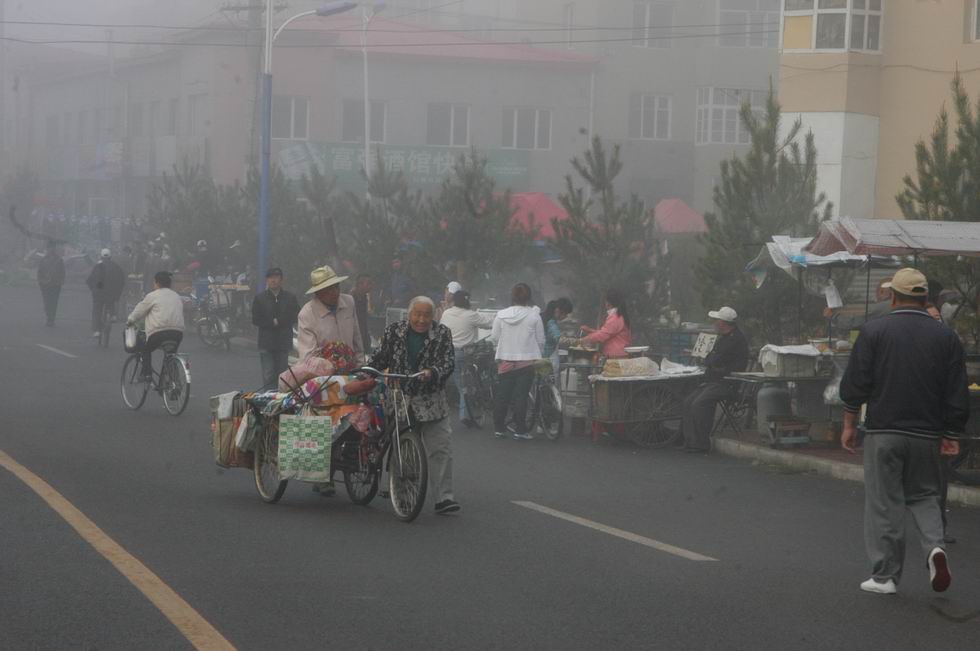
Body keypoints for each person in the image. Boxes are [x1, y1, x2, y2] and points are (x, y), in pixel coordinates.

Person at [840, 268, 968, 596]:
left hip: (884, 431)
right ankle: (934, 549)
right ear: (927, 299)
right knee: (925, 496)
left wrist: (849, 424)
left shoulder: (873, 331)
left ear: (893, 297)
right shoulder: (946, 337)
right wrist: (951, 433)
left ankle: (884, 577)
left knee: (885, 501)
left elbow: (857, 384)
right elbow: (957, 391)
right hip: (927, 434)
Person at [369, 296, 460, 515]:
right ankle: (401, 495)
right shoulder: (394, 331)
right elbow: (380, 357)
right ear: (409, 315)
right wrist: (369, 371)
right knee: (403, 450)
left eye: (426, 315)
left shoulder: (442, 334)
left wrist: (433, 372)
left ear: (433, 316)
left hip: (432, 400)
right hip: (400, 398)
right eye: (417, 314)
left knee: (441, 448)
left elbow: (448, 362)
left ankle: (443, 498)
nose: (421, 319)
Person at [680, 306, 749, 453]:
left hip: (727, 382)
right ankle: (689, 440)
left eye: (717, 320)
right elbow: (711, 359)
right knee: (688, 402)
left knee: (700, 403)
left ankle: (701, 442)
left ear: (723, 323)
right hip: (714, 380)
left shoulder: (734, 340)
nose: (715, 323)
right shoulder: (725, 338)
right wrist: (710, 361)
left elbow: (714, 359)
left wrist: (710, 362)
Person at [492, 283, 545, 441]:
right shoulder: (534, 316)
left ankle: (499, 428)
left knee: (502, 396)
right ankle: (520, 430)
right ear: (528, 297)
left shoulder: (501, 315)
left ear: (512, 296)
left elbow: (494, 337)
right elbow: (540, 340)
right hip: (526, 362)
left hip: (505, 361)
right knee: (521, 397)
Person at [440, 290, 496, 426]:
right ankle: (465, 414)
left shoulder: (446, 313)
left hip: (448, 353)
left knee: (460, 383)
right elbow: (489, 322)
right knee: (465, 386)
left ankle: (464, 413)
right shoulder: (471, 315)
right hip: (464, 354)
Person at [296, 265, 364, 362]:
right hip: (322, 374)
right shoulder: (306, 314)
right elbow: (308, 357)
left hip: (351, 371)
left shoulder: (349, 302)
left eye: (336, 286)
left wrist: (361, 368)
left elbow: (357, 341)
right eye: (329, 289)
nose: (335, 292)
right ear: (318, 293)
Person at [127, 271, 185, 379]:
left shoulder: (152, 296)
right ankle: (173, 382)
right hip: (177, 333)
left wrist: (130, 320)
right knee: (170, 355)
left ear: (156, 283)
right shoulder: (176, 296)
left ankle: (146, 374)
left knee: (145, 350)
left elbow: (139, 311)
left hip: (159, 333)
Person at [251, 268, 301, 390]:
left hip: (283, 341)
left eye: (276, 277)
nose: (273, 280)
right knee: (268, 374)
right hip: (266, 342)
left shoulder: (290, 297)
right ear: (267, 280)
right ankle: (268, 400)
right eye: (270, 277)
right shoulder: (260, 298)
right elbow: (255, 319)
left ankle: (282, 401)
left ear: (281, 280)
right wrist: (271, 322)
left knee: (283, 375)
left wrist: (280, 321)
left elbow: (297, 315)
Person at [579, 289, 632, 359]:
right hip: (619, 355)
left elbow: (603, 335)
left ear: (608, 303)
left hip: (616, 356)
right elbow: (608, 333)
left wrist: (586, 339)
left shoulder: (616, 318)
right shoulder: (619, 316)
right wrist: (590, 331)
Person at [86, 248, 125, 338]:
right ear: (110, 257)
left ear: (101, 256)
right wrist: (117, 294)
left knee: (97, 311)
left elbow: (89, 280)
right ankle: (112, 315)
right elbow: (121, 282)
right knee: (110, 302)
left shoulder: (97, 266)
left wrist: (93, 290)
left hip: (98, 294)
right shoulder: (116, 267)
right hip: (111, 295)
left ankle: (96, 330)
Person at [37, 240, 66, 327]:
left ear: (54, 249)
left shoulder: (59, 260)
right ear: (47, 249)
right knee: (47, 302)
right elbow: (39, 272)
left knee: (54, 302)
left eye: (52, 248)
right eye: (49, 248)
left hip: (56, 285)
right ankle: (48, 316)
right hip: (45, 285)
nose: (51, 249)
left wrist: (61, 281)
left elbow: (62, 272)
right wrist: (41, 282)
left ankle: (51, 319)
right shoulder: (43, 260)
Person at [351, 273, 374, 352]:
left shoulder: (364, 297)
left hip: (362, 333)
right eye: (368, 284)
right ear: (360, 284)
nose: (371, 286)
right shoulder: (351, 298)